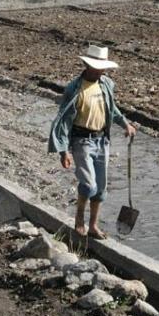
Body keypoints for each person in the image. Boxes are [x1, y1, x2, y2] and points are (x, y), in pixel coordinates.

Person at [48, 45, 137, 238]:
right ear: (86, 65)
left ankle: (93, 226)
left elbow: (112, 110)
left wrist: (126, 125)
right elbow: (63, 121)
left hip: (102, 141)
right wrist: (63, 151)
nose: (101, 71)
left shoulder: (106, 84)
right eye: (97, 67)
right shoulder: (74, 88)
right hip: (82, 141)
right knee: (89, 185)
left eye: (103, 68)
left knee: (101, 188)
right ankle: (79, 219)